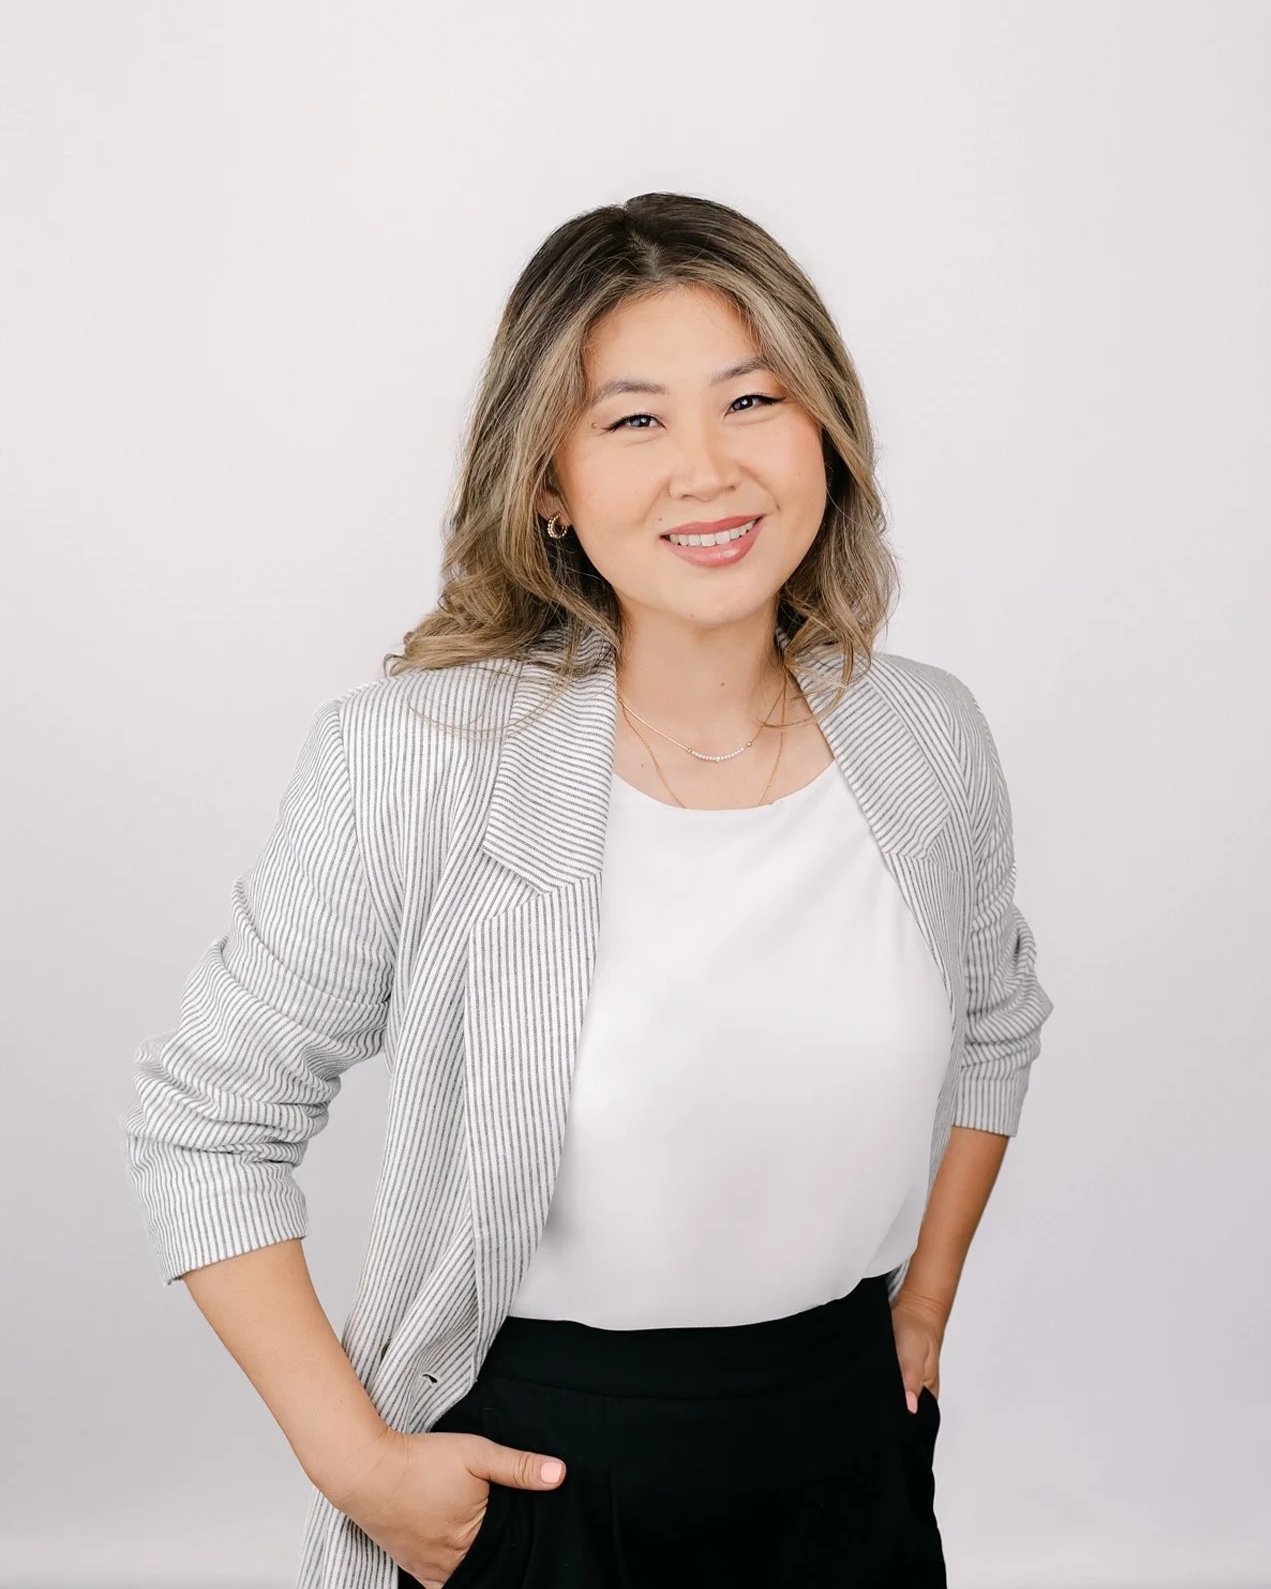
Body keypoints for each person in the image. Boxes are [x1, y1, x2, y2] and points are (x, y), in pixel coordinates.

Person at [121, 191, 1054, 1589]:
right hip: (541, 1476)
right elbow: (204, 1126)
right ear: (546, 481)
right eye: (633, 420)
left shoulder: (923, 735)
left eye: (751, 399)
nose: (708, 469)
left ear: (824, 428)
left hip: (842, 1452)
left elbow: (996, 1022)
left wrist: (919, 1301)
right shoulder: (415, 762)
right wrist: (361, 1465)